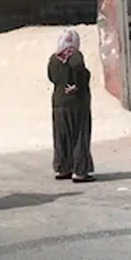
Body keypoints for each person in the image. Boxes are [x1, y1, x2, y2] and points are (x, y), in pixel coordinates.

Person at [47, 28, 95, 182]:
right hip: (77, 103)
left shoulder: (53, 60)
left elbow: (52, 78)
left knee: (62, 136)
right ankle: (80, 171)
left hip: (58, 103)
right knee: (79, 136)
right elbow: (80, 71)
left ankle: (62, 168)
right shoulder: (76, 56)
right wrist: (77, 85)